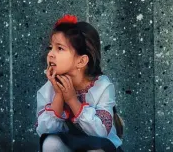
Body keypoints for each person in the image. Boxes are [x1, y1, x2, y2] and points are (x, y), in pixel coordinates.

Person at [36, 15, 123, 152]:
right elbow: (45, 131)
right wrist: (59, 95)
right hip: (70, 146)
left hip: (100, 147)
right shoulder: (49, 89)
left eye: (59, 48)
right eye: (50, 48)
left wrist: (72, 100)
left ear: (81, 61)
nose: (50, 54)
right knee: (50, 142)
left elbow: (99, 133)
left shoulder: (102, 86)